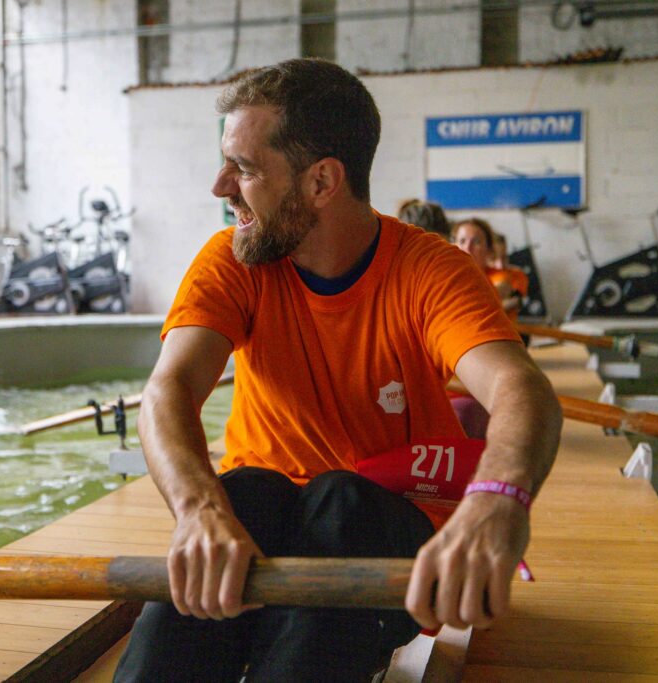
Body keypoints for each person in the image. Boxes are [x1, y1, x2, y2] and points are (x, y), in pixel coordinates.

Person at [115, 58, 562, 682]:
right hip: (260, 521)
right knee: (242, 493)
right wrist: (196, 511)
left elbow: (520, 388)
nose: (220, 186)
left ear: (322, 180)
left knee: (339, 500)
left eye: (243, 168)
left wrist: (498, 502)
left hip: (389, 527)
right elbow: (167, 391)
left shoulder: (430, 271)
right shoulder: (231, 260)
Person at [452, 218, 527, 321]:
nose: (467, 247)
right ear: (453, 245)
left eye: (476, 242)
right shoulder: (445, 277)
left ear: (489, 250)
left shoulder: (501, 277)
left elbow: (485, 300)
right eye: (462, 241)